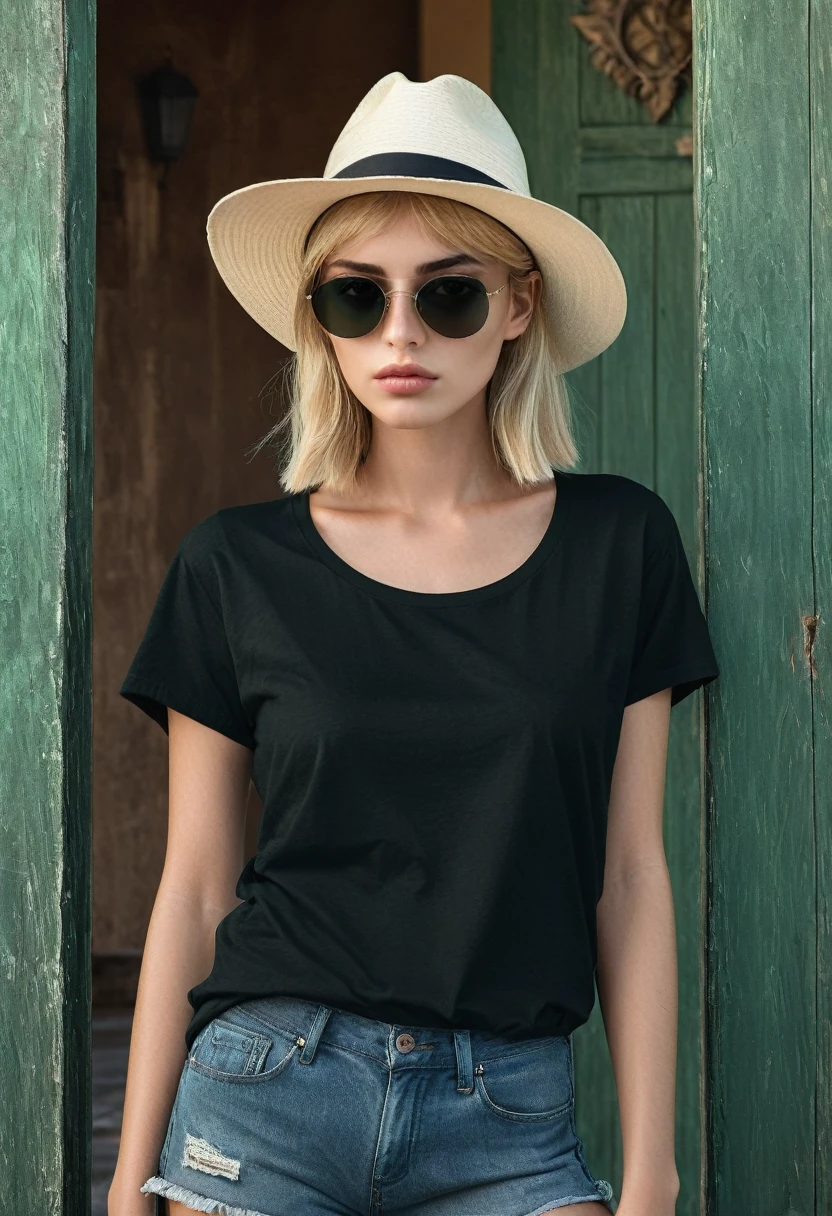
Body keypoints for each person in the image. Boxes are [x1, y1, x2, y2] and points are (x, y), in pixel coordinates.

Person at [109, 72, 720, 1216]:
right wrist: (126, 1176)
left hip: (509, 1118)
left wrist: (650, 1172)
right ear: (318, 315)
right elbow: (193, 887)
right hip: (266, 1092)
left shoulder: (617, 545)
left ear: (519, 306)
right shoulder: (235, 567)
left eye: (448, 296)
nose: (399, 334)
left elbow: (631, 876)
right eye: (356, 297)